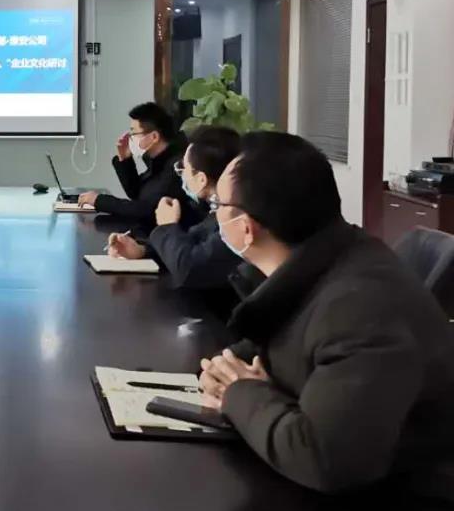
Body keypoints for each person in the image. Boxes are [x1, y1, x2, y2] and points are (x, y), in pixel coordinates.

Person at [198, 132, 454, 505]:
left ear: (246, 227)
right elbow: (268, 347)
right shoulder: (325, 261)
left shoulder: (362, 308)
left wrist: (240, 392)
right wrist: (226, 371)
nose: (213, 214)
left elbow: (324, 459)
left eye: (217, 205)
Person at [106, 126, 241, 291]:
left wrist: (167, 226)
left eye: (184, 168)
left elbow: (189, 269)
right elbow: (191, 245)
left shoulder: (234, 220)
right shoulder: (213, 211)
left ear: (201, 180)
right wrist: (142, 251)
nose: (182, 174)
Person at [77, 102, 192, 229]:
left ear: (154, 136)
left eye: (134, 134)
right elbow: (137, 193)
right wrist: (125, 159)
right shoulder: (158, 160)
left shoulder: (177, 166)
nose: (130, 139)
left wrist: (99, 200)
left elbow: (146, 210)